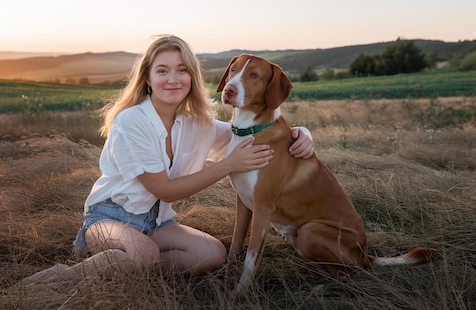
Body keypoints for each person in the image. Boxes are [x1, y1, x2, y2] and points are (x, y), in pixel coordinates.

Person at [22, 35, 314, 285]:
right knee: (144, 254)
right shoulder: (132, 121)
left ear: (191, 77)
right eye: (163, 71)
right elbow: (163, 189)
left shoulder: (196, 123)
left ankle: (127, 267)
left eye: (182, 70)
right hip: (109, 217)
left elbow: (249, 136)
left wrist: (300, 133)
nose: (173, 79)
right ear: (148, 77)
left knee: (212, 254)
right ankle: (60, 277)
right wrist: (228, 165)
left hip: (157, 223)